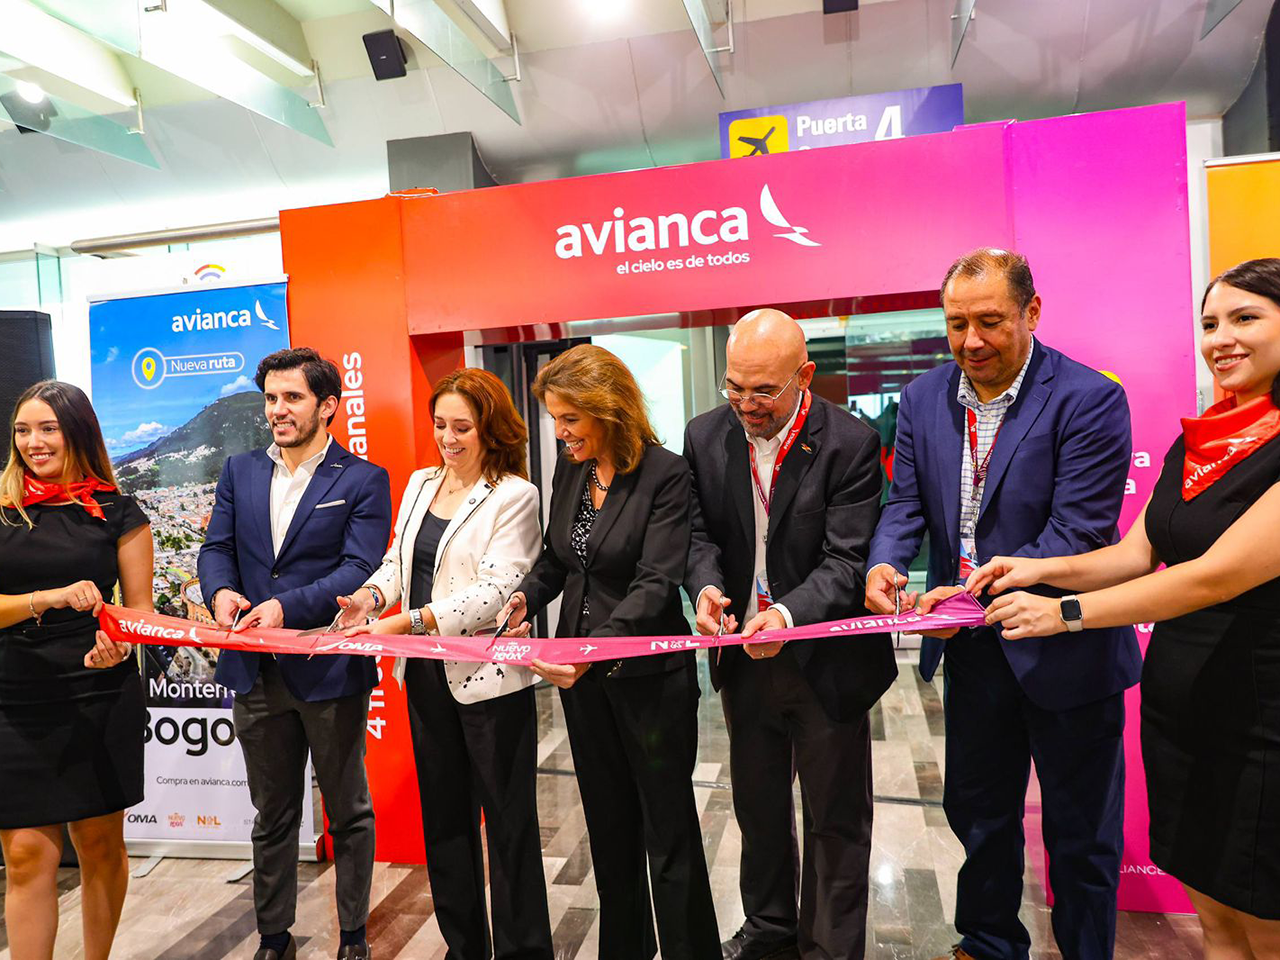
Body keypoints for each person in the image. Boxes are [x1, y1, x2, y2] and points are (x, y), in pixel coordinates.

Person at [968, 258, 1280, 959]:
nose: (1222, 338)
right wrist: (1037, 568)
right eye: (1210, 323)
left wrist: (1064, 613)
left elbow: (1213, 578)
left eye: (1246, 318)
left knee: (1266, 922)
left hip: (1262, 717)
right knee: (1217, 920)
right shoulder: (1200, 440)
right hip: (1187, 712)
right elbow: (1138, 552)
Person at [865, 248, 1140, 960]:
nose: (971, 341)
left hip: (1067, 648)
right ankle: (988, 943)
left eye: (989, 321)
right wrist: (887, 562)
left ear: (1031, 312)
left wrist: (971, 590)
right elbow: (905, 503)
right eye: (956, 324)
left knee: (1081, 834)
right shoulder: (923, 398)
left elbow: (1077, 531)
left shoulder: (1088, 398)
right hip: (974, 651)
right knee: (979, 814)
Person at [683, 309, 896, 960]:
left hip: (826, 661)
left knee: (835, 818)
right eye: (734, 387)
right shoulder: (704, 435)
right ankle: (769, 931)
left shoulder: (850, 443)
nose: (746, 404)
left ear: (804, 376)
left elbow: (846, 560)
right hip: (743, 658)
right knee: (758, 808)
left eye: (763, 391)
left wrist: (785, 615)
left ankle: (829, 948)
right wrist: (706, 589)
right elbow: (698, 535)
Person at [499, 344, 720, 960]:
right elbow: (557, 560)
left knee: (668, 835)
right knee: (609, 830)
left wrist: (591, 650)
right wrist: (525, 598)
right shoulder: (572, 469)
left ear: (609, 410)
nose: (560, 433)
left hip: (650, 683)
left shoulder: (665, 474)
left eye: (570, 419)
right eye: (555, 419)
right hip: (586, 684)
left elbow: (655, 584)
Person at [335, 368, 553, 960]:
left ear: (490, 429)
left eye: (462, 427)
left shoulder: (515, 495)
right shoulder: (419, 483)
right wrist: (368, 599)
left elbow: (496, 590)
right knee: (446, 825)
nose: (448, 439)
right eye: (440, 425)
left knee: (508, 828)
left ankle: (524, 952)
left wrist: (409, 622)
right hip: (425, 677)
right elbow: (398, 564)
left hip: (490, 683)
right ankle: (464, 949)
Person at [197, 348, 392, 960]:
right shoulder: (240, 470)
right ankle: (274, 939)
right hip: (254, 671)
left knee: (348, 812)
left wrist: (287, 608)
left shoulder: (362, 479)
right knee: (273, 815)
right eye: (271, 398)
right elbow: (215, 548)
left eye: (292, 398)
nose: (277, 410)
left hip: (329, 670)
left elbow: (359, 568)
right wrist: (220, 592)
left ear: (327, 406)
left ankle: (353, 937)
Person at [0, 380, 151, 960]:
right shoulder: (1, 509)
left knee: (100, 846)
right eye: (22, 430)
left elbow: (139, 614)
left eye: (48, 429)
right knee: (24, 855)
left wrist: (120, 645)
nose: (33, 442)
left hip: (99, 693)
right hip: (14, 698)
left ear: (78, 433)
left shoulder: (119, 512)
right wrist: (47, 598)